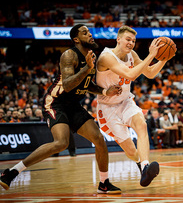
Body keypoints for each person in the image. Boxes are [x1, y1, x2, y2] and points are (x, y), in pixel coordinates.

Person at [0, 24, 122, 194]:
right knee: (61, 142)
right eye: (85, 33)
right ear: (76, 39)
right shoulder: (69, 55)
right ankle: (12, 172)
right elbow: (68, 84)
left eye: (89, 31)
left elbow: (86, 84)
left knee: (98, 139)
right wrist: (87, 68)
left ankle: (104, 183)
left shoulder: (90, 56)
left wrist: (103, 91)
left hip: (73, 105)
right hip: (56, 103)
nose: (90, 34)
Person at [95, 25, 169, 187]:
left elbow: (149, 73)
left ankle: (145, 168)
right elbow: (131, 74)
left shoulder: (132, 55)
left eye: (133, 41)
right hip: (107, 109)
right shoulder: (106, 57)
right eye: (128, 39)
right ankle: (139, 163)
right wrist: (151, 55)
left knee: (141, 125)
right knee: (130, 151)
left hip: (126, 100)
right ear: (118, 39)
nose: (131, 43)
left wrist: (163, 59)